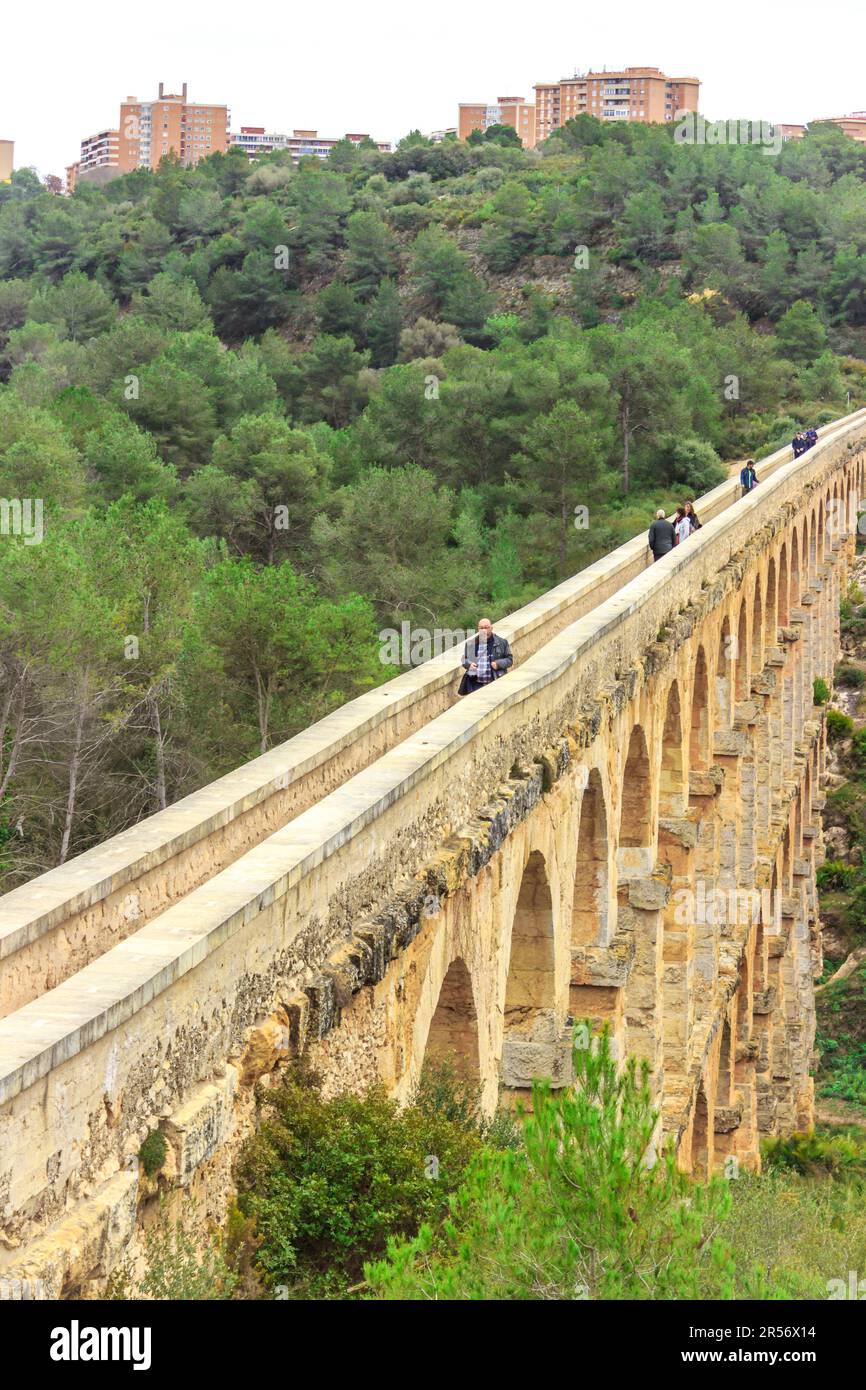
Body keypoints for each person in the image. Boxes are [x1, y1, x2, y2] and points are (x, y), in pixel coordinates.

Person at [458, 617, 513, 696]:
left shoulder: (502, 642)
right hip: (475, 685)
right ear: (478, 629)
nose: (484, 630)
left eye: (486, 627)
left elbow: (509, 660)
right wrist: (469, 664)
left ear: (491, 628)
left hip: (495, 683)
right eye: (481, 628)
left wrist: (498, 664)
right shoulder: (471, 644)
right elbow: (464, 659)